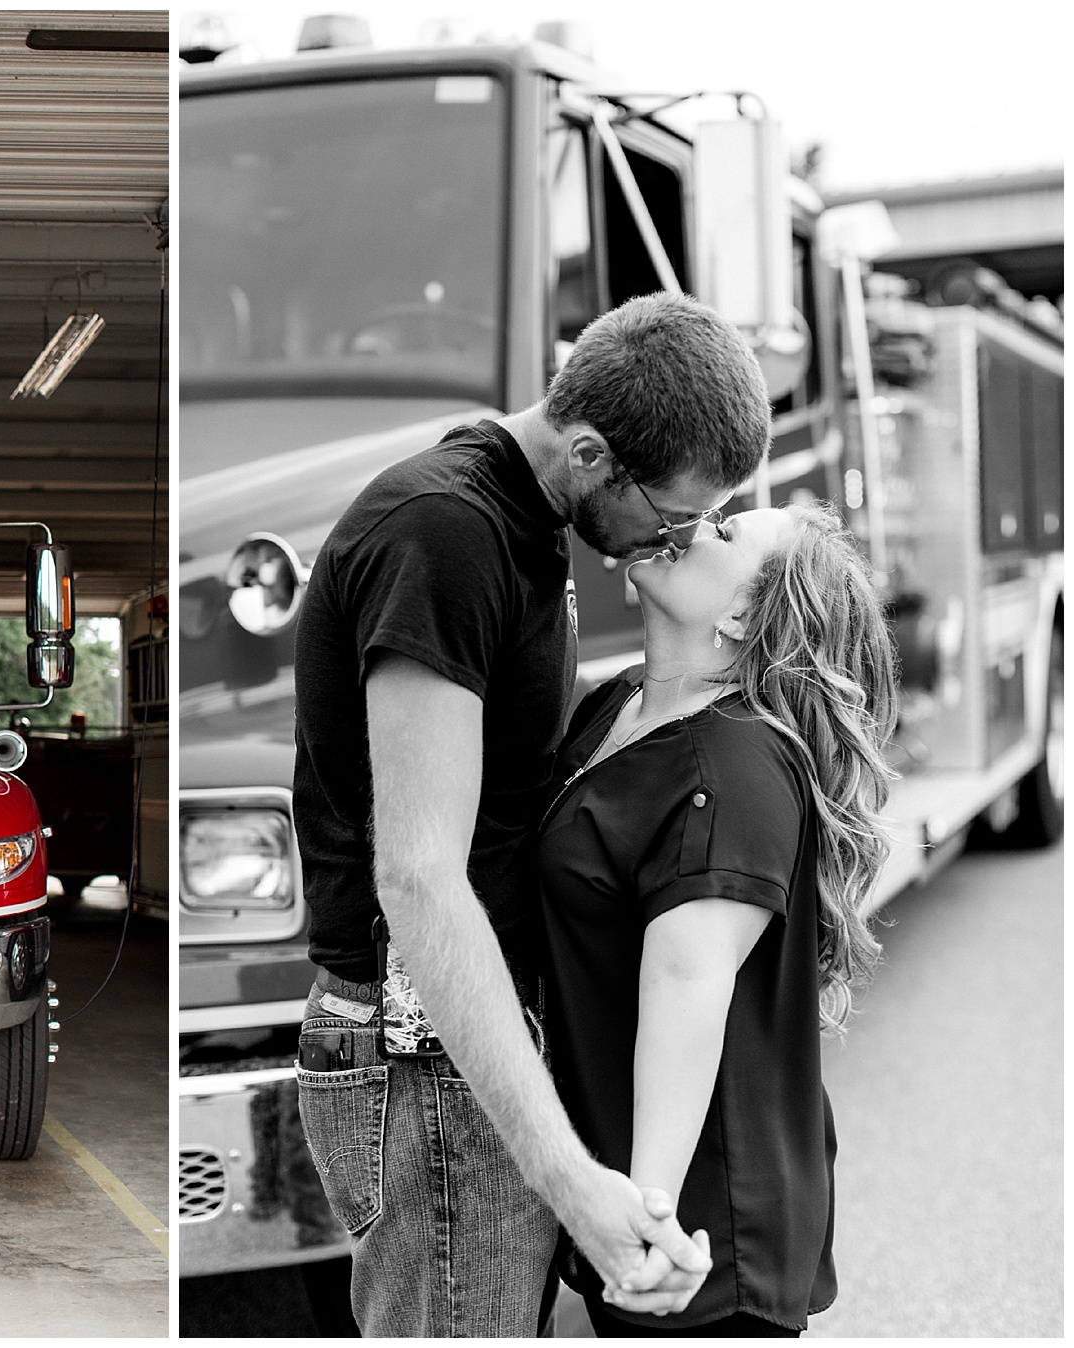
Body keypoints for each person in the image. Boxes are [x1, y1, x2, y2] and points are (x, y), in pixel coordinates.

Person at [292, 291, 771, 1335]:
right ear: (593, 450)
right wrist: (572, 1180)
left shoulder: (522, 518)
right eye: (674, 512)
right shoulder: (448, 535)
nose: (677, 538)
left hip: (463, 1046)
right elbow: (418, 875)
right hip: (429, 1054)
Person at [540, 502, 896, 1335]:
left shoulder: (730, 764)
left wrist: (646, 1216)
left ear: (742, 613)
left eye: (726, 535)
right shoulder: (621, 707)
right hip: (639, 1203)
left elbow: (688, 982)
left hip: (704, 1233)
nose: (694, 526)